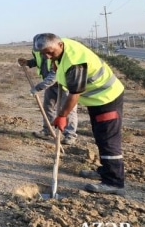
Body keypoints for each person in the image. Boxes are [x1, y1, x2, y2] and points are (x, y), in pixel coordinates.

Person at [35, 33, 126, 196]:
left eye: (50, 52)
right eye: (43, 54)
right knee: (100, 137)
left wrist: (62, 116)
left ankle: (114, 182)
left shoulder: (75, 61)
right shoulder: (62, 46)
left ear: (60, 45)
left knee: (108, 139)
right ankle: (106, 171)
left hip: (106, 98)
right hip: (97, 100)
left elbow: (74, 93)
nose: (47, 57)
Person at [17, 34, 78, 145]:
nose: (44, 54)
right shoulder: (38, 51)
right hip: (51, 86)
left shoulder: (54, 52)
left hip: (64, 85)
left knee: (68, 110)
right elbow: (38, 61)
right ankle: (48, 130)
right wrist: (28, 62)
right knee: (48, 107)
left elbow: (53, 76)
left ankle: (70, 135)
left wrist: (38, 88)